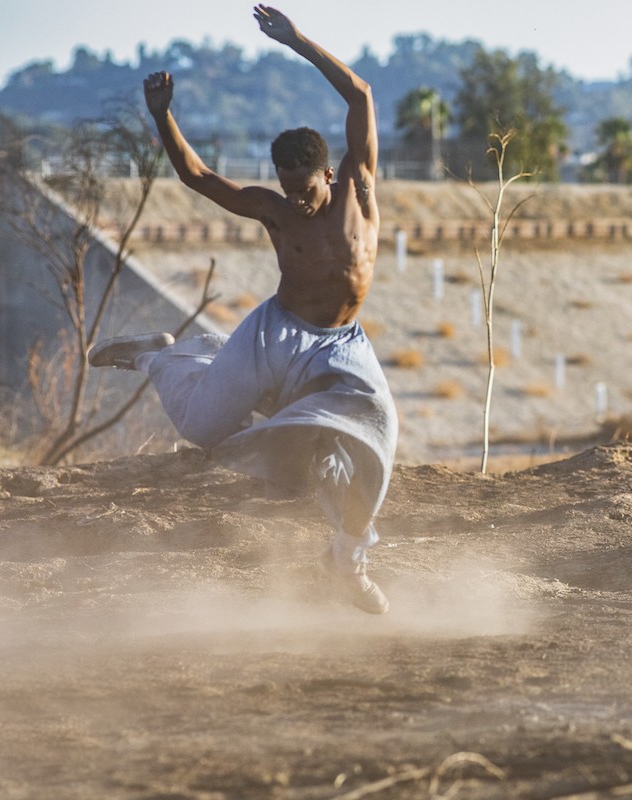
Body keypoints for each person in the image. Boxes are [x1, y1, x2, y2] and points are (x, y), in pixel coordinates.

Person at [88, 5, 396, 614]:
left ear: (329, 175)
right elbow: (198, 175)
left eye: (304, 191)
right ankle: (163, 355)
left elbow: (359, 93)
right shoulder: (276, 210)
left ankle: (348, 565)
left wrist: (298, 41)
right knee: (203, 429)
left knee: (367, 445)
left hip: (342, 345)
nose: (296, 203)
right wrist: (163, 116)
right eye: (285, 190)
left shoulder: (360, 185)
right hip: (275, 333)